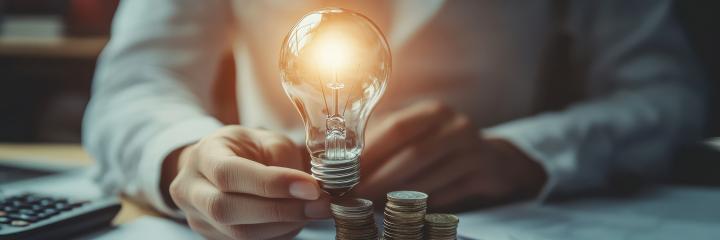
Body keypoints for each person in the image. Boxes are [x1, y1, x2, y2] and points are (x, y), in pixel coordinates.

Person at [82, 0, 706, 239]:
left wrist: (522, 153)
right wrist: (191, 157)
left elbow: (667, 94)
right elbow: (134, 85)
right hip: (285, 207)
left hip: (498, 214)